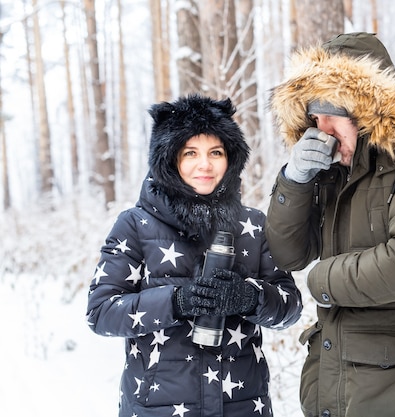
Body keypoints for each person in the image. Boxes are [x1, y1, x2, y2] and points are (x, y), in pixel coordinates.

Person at [266, 32, 395, 417]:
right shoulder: (327, 174)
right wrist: (294, 181)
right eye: (314, 115)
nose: (321, 129)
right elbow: (288, 253)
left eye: (332, 112)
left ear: (367, 109)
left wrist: (321, 280)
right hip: (332, 384)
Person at [86, 94, 302, 417]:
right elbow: (101, 312)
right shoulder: (135, 225)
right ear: (170, 159)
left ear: (231, 158)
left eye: (216, 152)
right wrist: (176, 302)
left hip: (242, 407)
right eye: (191, 153)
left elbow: (290, 306)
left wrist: (249, 297)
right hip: (155, 408)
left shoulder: (253, 225)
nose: (205, 164)